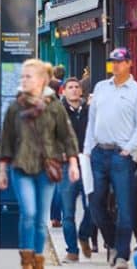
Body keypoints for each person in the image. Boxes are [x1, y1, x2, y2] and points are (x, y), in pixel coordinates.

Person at [0, 59, 80, 269]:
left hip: (47, 168)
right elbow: (6, 139)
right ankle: (27, 259)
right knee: (29, 213)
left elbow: (67, 136)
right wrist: (2, 170)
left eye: (29, 76)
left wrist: (72, 163)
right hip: (21, 166)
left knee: (41, 218)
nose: (24, 80)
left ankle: (38, 259)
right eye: (22, 76)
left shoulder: (54, 106)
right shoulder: (15, 107)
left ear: (42, 79)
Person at [84, 47, 137, 268]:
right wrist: (88, 149)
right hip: (98, 153)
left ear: (130, 63)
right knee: (95, 204)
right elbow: (92, 122)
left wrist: (129, 149)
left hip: (122, 156)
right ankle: (111, 243)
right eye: (113, 62)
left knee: (126, 207)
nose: (115, 66)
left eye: (120, 61)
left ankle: (122, 255)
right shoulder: (101, 87)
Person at [59, 77, 96, 261]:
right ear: (63, 91)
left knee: (93, 207)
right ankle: (72, 250)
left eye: (76, 87)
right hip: (66, 166)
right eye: (70, 87)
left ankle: (83, 234)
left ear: (81, 91)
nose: (74, 90)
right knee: (68, 212)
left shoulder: (90, 111)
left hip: (88, 164)